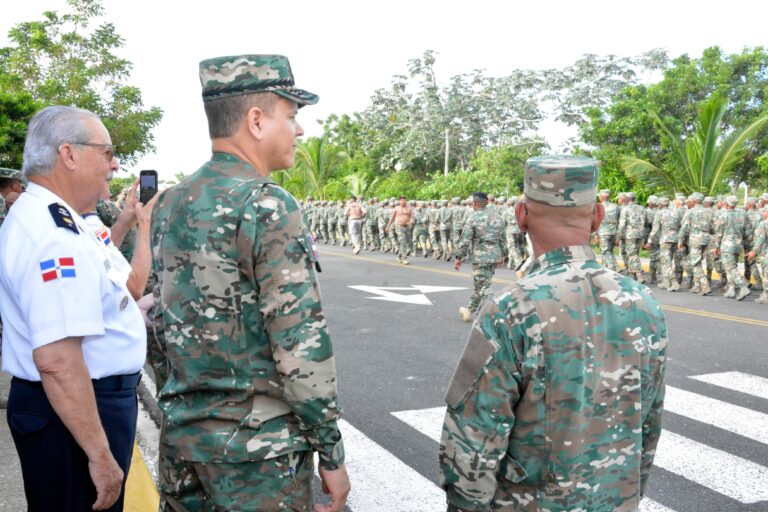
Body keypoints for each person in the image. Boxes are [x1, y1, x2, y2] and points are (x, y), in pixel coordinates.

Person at [149, 54, 349, 512]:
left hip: (183, 443)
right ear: (256, 121)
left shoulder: (170, 202)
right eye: (291, 116)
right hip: (256, 456)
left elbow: (160, 325)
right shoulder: (267, 204)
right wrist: (330, 450)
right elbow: (300, 347)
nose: (300, 130)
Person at [440, 155, 667, 511]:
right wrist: (630, 495)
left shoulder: (511, 308)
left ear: (521, 216)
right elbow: (649, 421)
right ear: (597, 217)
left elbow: (474, 439)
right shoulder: (644, 302)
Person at [0, 105, 152, 511]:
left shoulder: (61, 221)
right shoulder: (53, 236)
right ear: (68, 154)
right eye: (107, 152)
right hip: (74, 414)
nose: (114, 164)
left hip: (78, 407)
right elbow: (58, 360)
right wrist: (100, 455)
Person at [452, 192, 505, 322]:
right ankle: (469, 311)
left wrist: (458, 258)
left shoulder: (473, 218)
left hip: (481, 257)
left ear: (474, 204)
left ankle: (498, 314)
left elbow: (465, 241)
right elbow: (503, 239)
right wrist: (503, 255)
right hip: (494, 256)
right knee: (480, 285)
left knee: (484, 287)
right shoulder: (498, 217)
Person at [386, 196, 415, 265]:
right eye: (401, 200)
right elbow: (392, 218)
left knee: (406, 242)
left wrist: (410, 222)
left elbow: (412, 218)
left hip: (407, 227)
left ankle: (399, 256)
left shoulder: (409, 208)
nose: (402, 202)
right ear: (399, 201)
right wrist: (388, 226)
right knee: (403, 242)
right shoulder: (396, 208)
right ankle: (404, 258)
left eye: (404, 200)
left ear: (406, 201)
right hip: (399, 226)